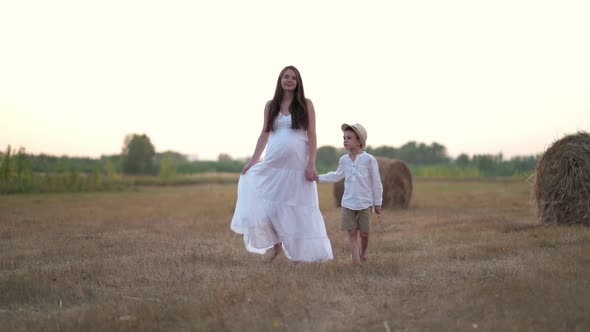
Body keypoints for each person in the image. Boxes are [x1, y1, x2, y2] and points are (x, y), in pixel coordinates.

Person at [230, 65, 334, 262]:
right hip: (273, 166)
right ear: (280, 80)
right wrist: (253, 161)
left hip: (297, 167)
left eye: (293, 78)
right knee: (267, 208)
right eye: (286, 77)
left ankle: (298, 255)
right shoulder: (271, 106)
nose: (289, 80)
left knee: (297, 209)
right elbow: (264, 133)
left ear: (298, 83)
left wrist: (311, 163)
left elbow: (311, 134)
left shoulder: (306, 104)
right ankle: (276, 245)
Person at [316, 123, 383, 263]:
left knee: (364, 234)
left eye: (349, 137)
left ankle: (363, 253)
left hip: (365, 203)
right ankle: (356, 263)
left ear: (359, 141)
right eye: (344, 137)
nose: (345, 140)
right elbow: (336, 176)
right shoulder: (344, 160)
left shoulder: (369, 160)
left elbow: (377, 182)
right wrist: (318, 178)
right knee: (352, 233)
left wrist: (378, 203)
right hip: (348, 203)